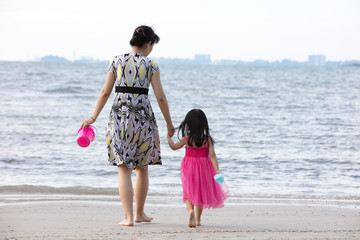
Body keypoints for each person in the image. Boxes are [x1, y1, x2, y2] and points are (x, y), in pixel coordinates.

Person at [81, 25, 175, 226]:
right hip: (143, 119)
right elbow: (160, 97)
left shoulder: (116, 60)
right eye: (152, 46)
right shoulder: (151, 65)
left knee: (123, 168)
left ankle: (128, 217)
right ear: (148, 44)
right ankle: (139, 213)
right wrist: (169, 124)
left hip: (120, 118)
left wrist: (93, 117)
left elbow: (105, 92)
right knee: (142, 167)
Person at [166, 109, 230, 228]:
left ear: (188, 123)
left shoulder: (187, 138)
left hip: (189, 166)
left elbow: (174, 147)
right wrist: (217, 170)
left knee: (188, 191)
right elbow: (212, 155)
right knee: (201, 193)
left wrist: (168, 139)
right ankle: (198, 219)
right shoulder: (207, 139)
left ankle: (190, 211)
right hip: (204, 167)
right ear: (204, 124)